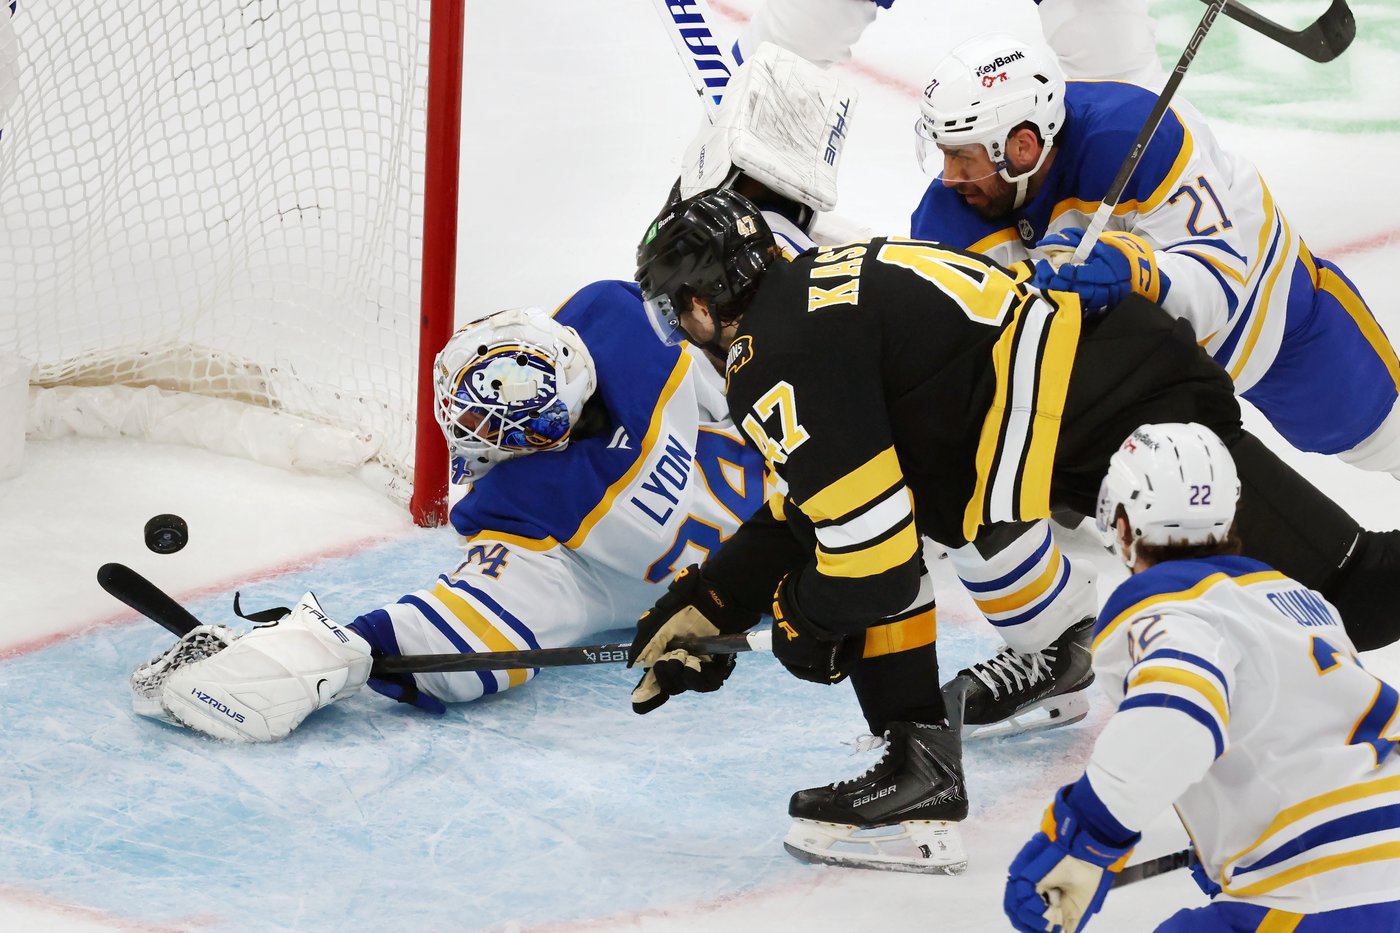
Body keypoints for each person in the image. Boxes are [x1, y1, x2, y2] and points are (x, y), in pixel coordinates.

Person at [628, 188, 1400, 875]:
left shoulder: (772, 355)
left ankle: (934, 752)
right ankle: (920, 764)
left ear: (702, 299)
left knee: (1351, 596)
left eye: (672, 310)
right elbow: (825, 503)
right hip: (1091, 405)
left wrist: (801, 617)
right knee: (876, 524)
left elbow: (874, 567)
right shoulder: (807, 299)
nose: (679, 330)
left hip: (1128, 420)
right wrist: (714, 599)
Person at [129, 283, 768, 741]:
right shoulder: (625, 332)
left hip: (763, 573)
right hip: (816, 493)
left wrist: (317, 652)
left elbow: (454, 643)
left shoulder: (535, 524)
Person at [911, 33, 1400, 482]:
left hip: (1261, 316)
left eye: (963, 157)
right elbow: (949, 363)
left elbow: (1220, 284)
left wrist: (1134, 270)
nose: (949, 176)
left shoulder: (1136, 137)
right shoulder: (950, 215)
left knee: (1379, 433)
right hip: (1130, 383)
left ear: (1021, 146)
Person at [1004, 422, 1400, 933]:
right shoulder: (1300, 603)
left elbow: (1174, 718)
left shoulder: (1170, 612)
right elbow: (1306, 738)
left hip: (1328, 893)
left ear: (1121, 526)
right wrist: (1231, 834)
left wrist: (1081, 841)